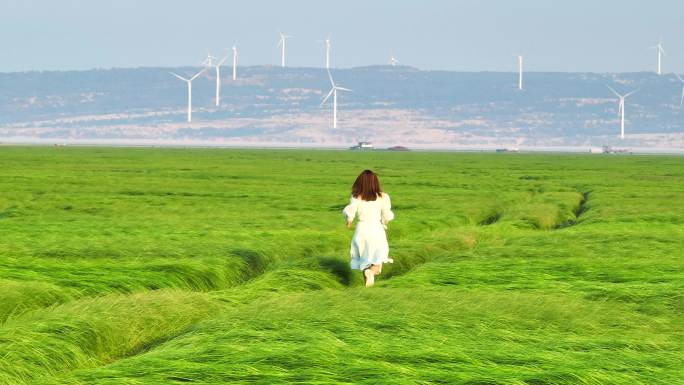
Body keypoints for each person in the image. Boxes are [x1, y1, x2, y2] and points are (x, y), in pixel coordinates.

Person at [343, 169, 394, 287]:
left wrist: (349, 221)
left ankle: (368, 285)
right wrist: (385, 220)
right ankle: (371, 273)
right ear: (375, 182)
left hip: (361, 230)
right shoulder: (383, 197)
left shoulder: (356, 197)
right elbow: (387, 215)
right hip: (376, 230)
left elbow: (351, 210)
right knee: (378, 258)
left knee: (364, 261)